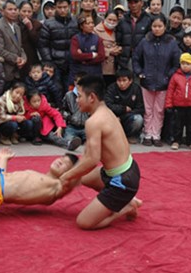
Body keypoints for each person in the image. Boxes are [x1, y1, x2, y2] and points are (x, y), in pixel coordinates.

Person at [59, 75, 141, 230]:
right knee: (83, 179)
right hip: (128, 170)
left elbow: (92, 160)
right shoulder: (106, 111)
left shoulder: (93, 122)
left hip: (122, 181)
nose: (77, 100)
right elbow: (89, 155)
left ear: (92, 97)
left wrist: (66, 175)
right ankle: (124, 200)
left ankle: (126, 207)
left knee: (84, 222)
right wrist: (72, 175)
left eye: (79, 96)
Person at [132, 15, 180, 147]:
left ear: (165, 27)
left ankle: (156, 135)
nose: (157, 29)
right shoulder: (145, 41)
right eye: (154, 26)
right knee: (148, 110)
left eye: (160, 26)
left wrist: (168, 76)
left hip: (164, 82)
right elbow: (136, 58)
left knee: (159, 110)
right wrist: (139, 73)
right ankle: (147, 134)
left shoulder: (171, 42)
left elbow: (176, 63)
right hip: (147, 81)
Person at [165, 53, 191, 151]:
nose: (185, 66)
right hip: (178, 105)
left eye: (188, 64)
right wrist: (168, 104)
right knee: (177, 124)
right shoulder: (175, 76)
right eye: (183, 63)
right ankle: (176, 140)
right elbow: (170, 91)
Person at [38, 0, 78, 92]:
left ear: (69, 7)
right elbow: (43, 45)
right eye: (59, 7)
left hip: (71, 63)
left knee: (71, 89)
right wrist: (49, 62)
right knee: (56, 89)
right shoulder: (48, 24)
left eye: (65, 7)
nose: (62, 10)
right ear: (55, 7)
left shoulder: (75, 22)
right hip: (55, 63)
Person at [0, 0, 27, 86]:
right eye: (10, 9)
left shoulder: (16, 27)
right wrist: (16, 59)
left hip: (17, 71)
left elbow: (20, 47)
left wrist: (24, 58)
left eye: (15, 9)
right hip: (4, 69)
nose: (13, 12)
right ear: (2, 11)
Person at [105, 69, 145, 144]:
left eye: (124, 80)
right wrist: (123, 109)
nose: (121, 83)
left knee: (138, 119)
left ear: (130, 81)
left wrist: (123, 116)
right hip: (114, 117)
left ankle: (130, 136)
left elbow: (140, 108)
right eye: (119, 80)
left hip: (129, 117)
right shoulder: (112, 88)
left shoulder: (136, 89)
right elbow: (107, 105)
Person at [116, 0, 152, 70]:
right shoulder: (123, 20)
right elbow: (118, 40)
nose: (133, 5)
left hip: (142, 60)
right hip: (125, 60)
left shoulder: (148, 19)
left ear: (141, 3)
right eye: (130, 3)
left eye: (136, 2)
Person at [69, 15, 106, 85]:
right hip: (78, 74)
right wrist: (92, 55)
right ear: (81, 26)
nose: (91, 25)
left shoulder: (98, 39)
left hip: (94, 74)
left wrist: (84, 59)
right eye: (88, 23)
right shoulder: (75, 39)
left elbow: (101, 56)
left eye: (92, 23)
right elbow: (75, 55)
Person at [93, 10, 122, 87]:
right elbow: (93, 47)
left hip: (114, 67)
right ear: (104, 18)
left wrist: (119, 49)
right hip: (101, 66)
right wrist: (109, 51)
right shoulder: (96, 31)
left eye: (114, 20)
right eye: (109, 19)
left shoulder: (118, 31)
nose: (111, 22)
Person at [62, 71, 89, 143]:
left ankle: (84, 140)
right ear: (75, 83)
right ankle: (74, 141)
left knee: (93, 138)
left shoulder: (90, 96)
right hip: (72, 126)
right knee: (68, 138)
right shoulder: (68, 95)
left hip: (86, 126)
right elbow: (63, 110)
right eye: (79, 83)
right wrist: (69, 117)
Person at [18, 0, 42, 75]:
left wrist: (30, 28)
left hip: (31, 57)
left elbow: (37, 41)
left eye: (29, 12)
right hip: (18, 57)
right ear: (19, 11)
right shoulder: (15, 23)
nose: (26, 14)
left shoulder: (37, 24)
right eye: (24, 11)